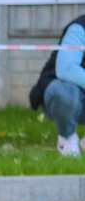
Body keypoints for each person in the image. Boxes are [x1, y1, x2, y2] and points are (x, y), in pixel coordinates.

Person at [29, 14, 85, 157]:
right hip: (66, 93)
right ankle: (67, 138)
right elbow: (66, 68)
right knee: (65, 91)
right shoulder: (79, 28)